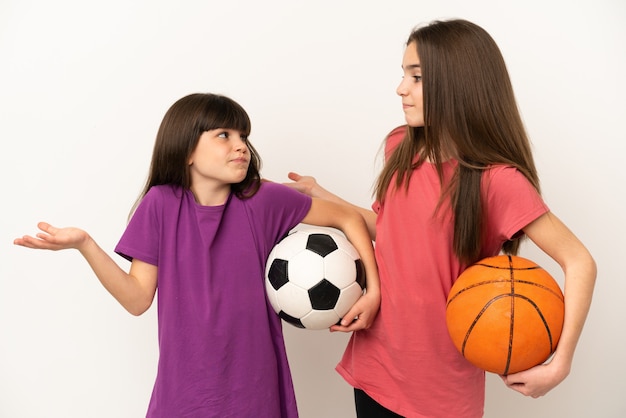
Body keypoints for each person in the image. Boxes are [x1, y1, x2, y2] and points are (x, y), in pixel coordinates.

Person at [285, 19, 596, 418]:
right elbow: (395, 231)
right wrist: (322, 196)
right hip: (377, 364)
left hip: (442, 387)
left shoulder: (497, 181)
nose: (401, 89)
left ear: (457, 84)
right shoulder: (399, 146)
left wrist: (560, 364)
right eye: (403, 76)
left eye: (416, 78)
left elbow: (580, 261)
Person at [14, 93, 381, 417]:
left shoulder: (262, 199)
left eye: (243, 136)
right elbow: (138, 298)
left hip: (255, 391)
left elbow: (347, 217)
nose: (240, 146)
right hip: (185, 395)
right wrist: (86, 245)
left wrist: (373, 290)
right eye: (224, 135)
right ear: (188, 149)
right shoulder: (160, 205)